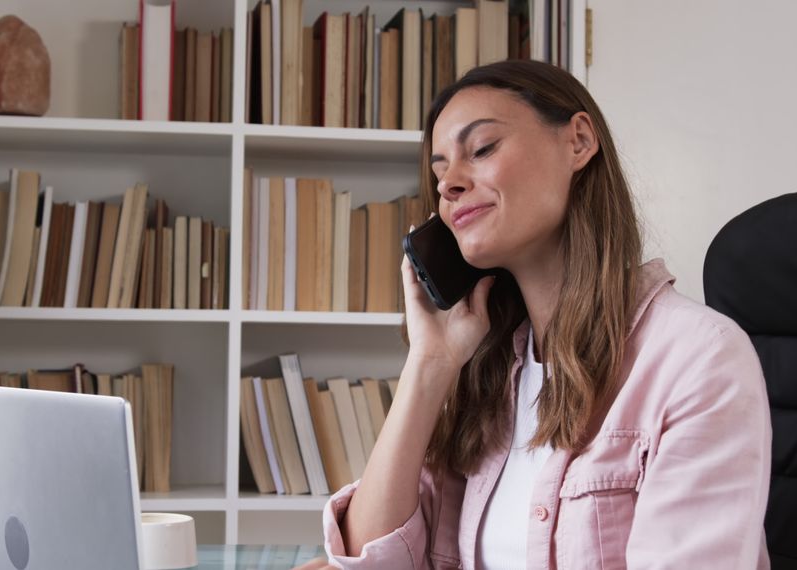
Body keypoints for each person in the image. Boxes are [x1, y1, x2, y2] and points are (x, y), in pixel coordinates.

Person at [306, 59, 771, 570]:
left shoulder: (697, 358)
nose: (448, 185)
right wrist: (430, 362)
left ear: (578, 142)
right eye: (439, 173)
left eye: (481, 149)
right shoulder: (485, 379)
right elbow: (370, 562)